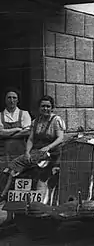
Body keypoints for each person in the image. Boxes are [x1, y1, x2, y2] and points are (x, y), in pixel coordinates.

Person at [1, 95, 66, 197]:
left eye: (48, 106)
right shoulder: (35, 122)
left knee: (37, 168)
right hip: (37, 152)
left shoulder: (56, 120)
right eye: (43, 106)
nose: (45, 109)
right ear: (39, 108)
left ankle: (42, 194)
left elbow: (60, 138)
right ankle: (5, 194)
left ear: (52, 108)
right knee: (13, 165)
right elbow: (31, 139)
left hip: (52, 153)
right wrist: (27, 152)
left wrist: (48, 147)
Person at [0, 88, 32, 225]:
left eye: (14, 98)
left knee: (20, 178)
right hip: (5, 153)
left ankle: (21, 210)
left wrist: (8, 133)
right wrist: (18, 129)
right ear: (5, 100)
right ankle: (6, 210)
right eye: (9, 98)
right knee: (5, 176)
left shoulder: (24, 114)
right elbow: (0, 134)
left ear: (18, 100)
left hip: (20, 151)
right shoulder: (0, 115)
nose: (11, 100)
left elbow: (28, 132)